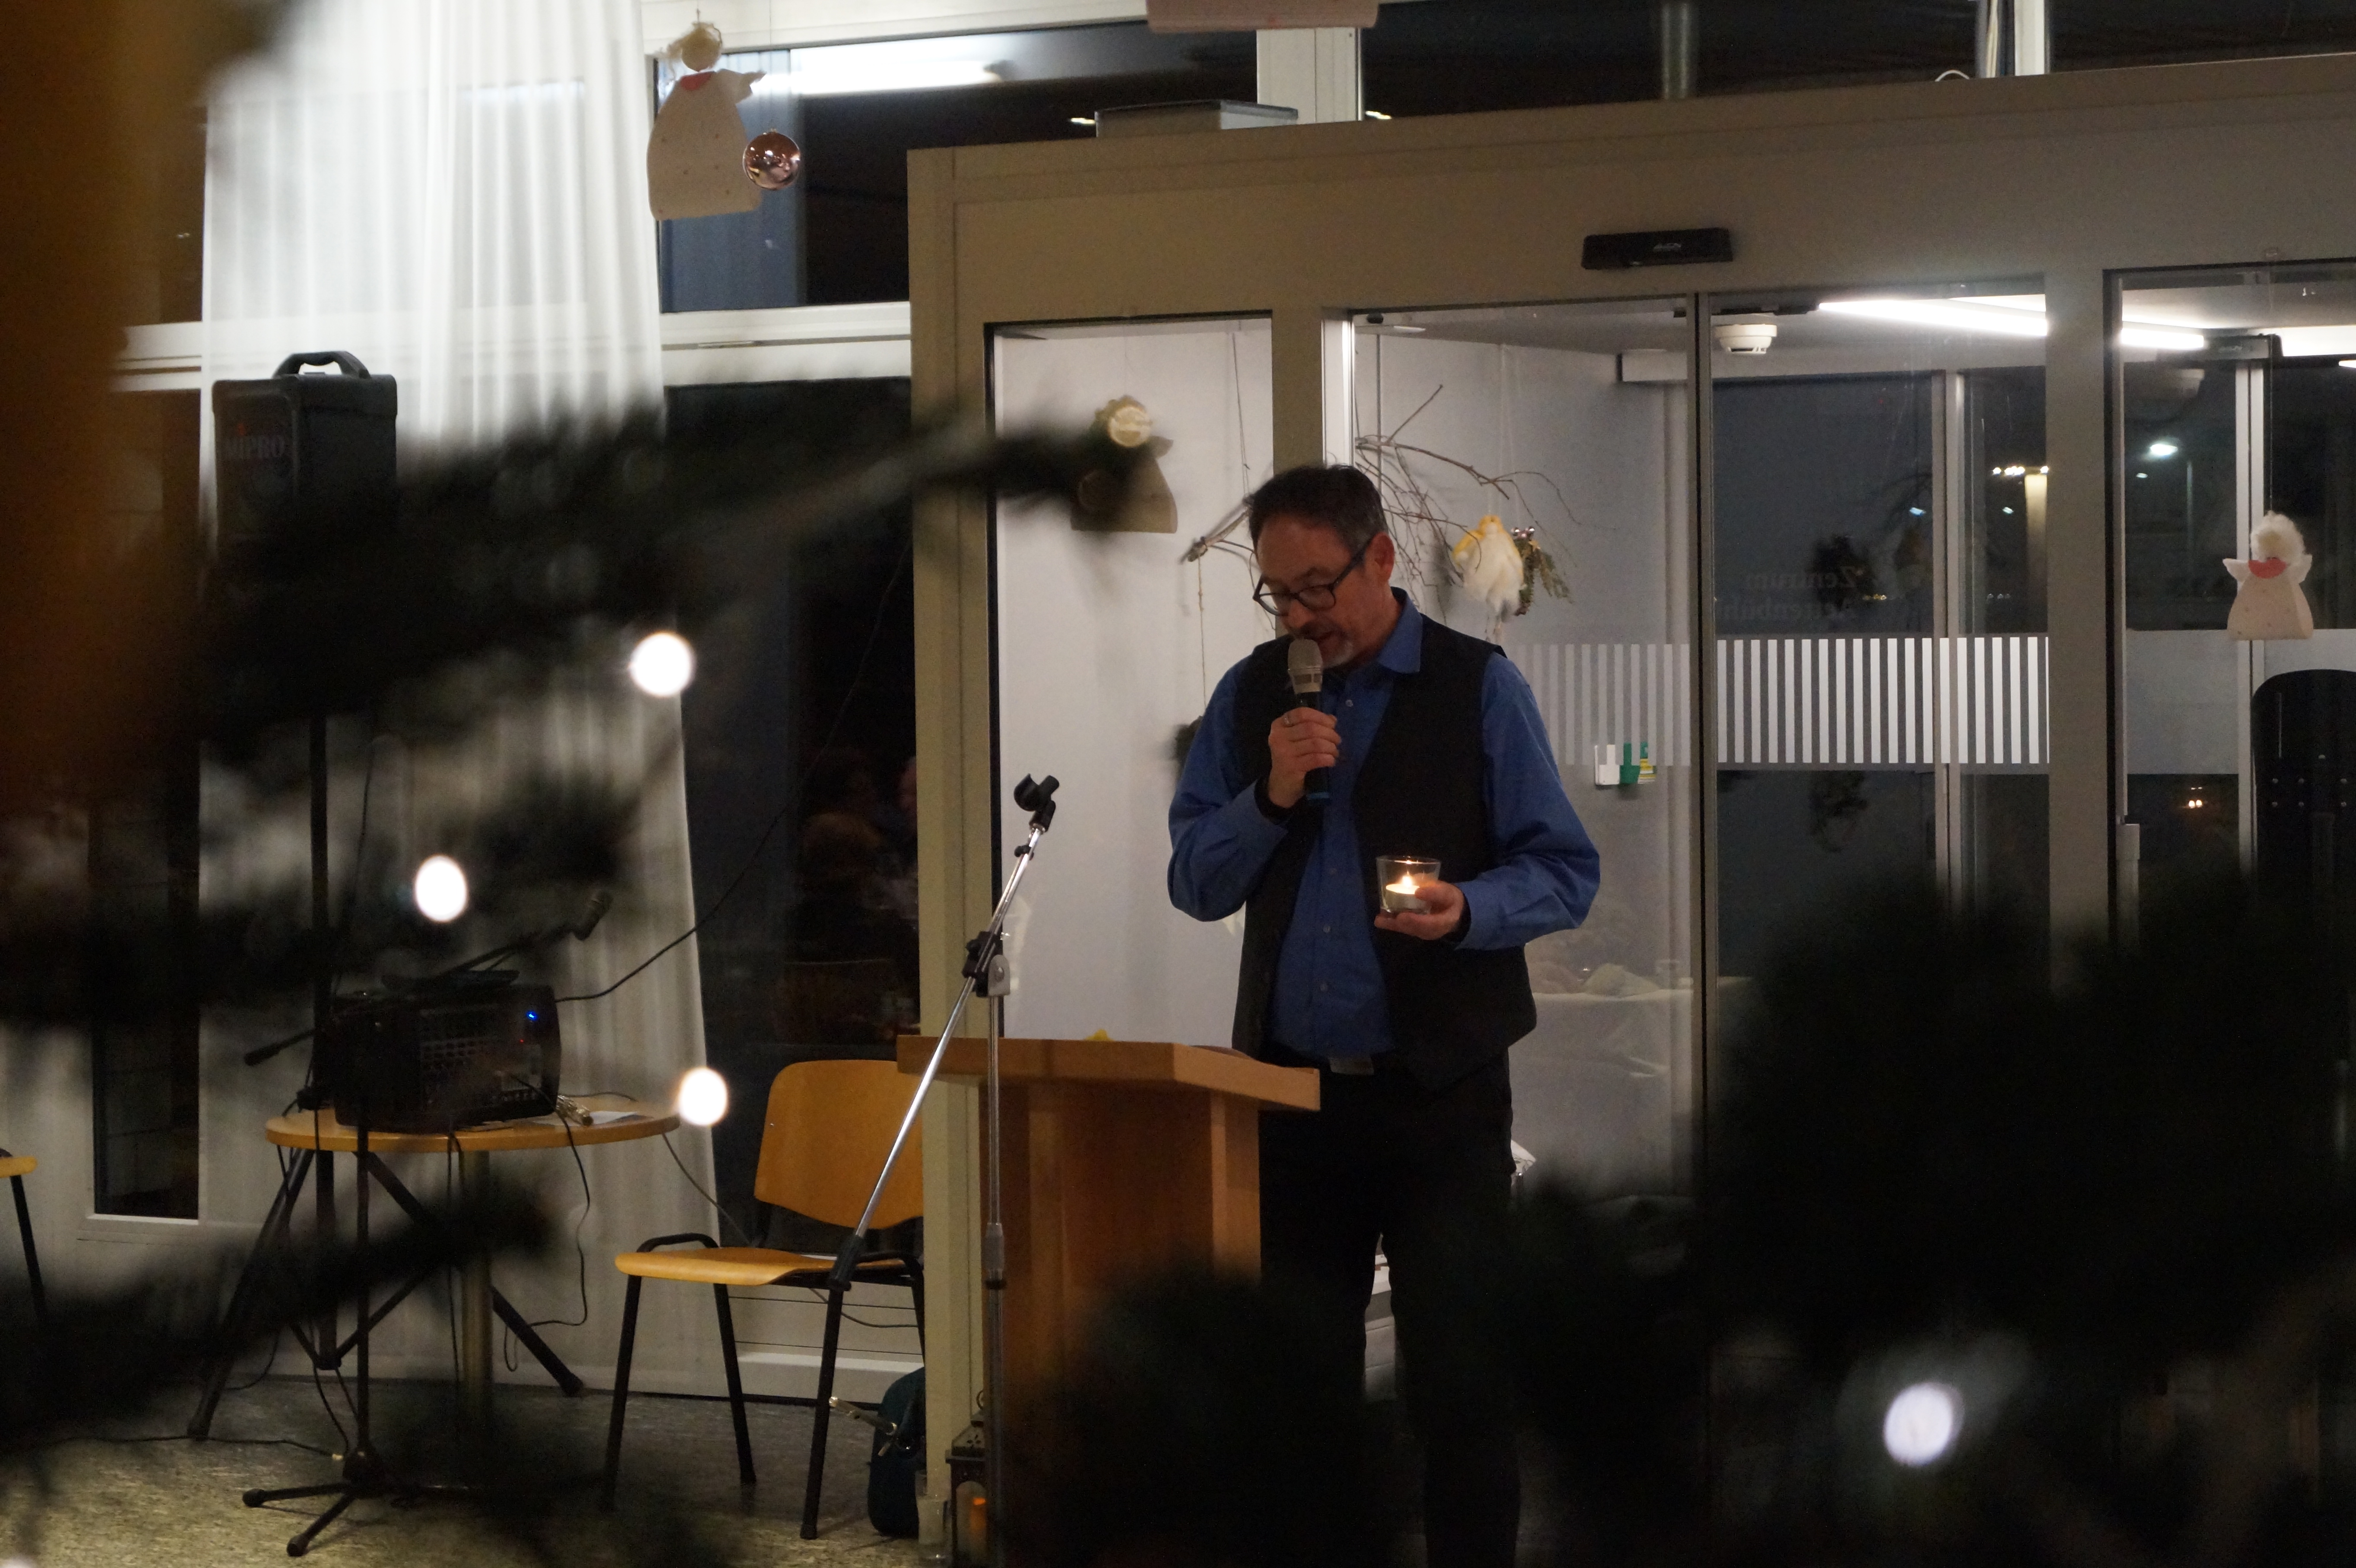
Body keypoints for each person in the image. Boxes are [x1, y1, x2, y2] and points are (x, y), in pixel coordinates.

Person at [1167, 464, 1599, 1568]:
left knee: (1459, 1385)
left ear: (1382, 560)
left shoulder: (1476, 686)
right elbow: (1196, 882)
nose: (1301, 618)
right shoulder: (1251, 698)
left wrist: (1469, 910)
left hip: (1440, 1093)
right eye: (1280, 594)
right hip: (1289, 1098)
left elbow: (1565, 871)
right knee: (1299, 1393)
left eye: (1319, 588)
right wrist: (1270, 795)